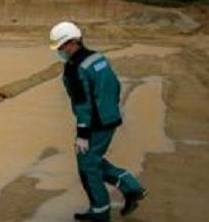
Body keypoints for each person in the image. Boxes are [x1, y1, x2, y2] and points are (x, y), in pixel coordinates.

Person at [50, 20, 147, 221]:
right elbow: (115, 85)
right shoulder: (97, 57)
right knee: (91, 161)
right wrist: (110, 109)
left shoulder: (74, 68)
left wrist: (82, 133)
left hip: (95, 124)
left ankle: (101, 211)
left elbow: (82, 103)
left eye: (61, 46)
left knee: (87, 165)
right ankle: (129, 187)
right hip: (110, 117)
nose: (60, 51)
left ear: (72, 42)